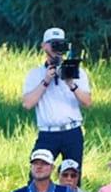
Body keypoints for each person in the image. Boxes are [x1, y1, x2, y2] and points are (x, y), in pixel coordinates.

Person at [21, 27, 93, 166]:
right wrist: (46, 81)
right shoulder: (35, 74)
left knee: (72, 173)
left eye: (60, 44)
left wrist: (70, 82)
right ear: (44, 46)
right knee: (38, 171)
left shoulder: (77, 72)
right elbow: (27, 104)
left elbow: (87, 102)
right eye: (53, 43)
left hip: (71, 131)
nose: (57, 48)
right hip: (47, 133)